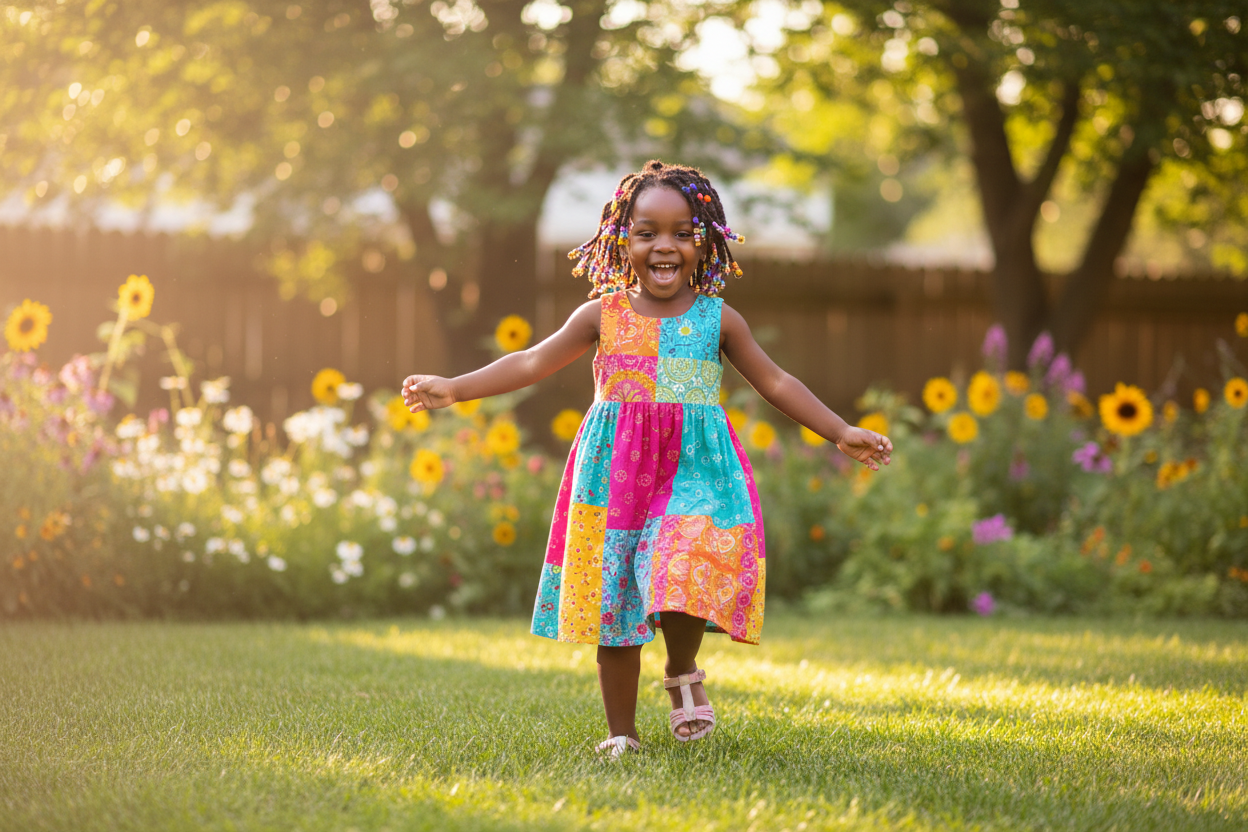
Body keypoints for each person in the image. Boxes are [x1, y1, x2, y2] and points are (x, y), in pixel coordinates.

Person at [402, 160, 892, 756]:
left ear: (704, 239)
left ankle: (682, 668)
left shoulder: (719, 319)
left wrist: (839, 430)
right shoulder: (600, 316)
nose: (665, 245)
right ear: (621, 238)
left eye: (683, 232)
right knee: (617, 601)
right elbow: (531, 361)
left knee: (684, 562)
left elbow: (777, 381)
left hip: (693, 468)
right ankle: (621, 736)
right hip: (615, 475)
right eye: (647, 231)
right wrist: (455, 387)